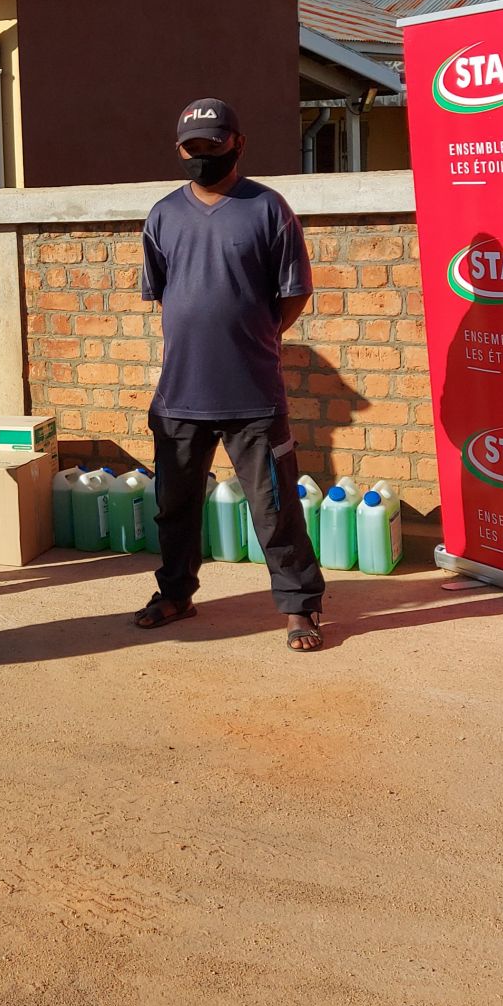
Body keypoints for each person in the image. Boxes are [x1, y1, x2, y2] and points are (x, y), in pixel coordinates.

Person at [134, 97, 325, 649]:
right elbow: (163, 294)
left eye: (214, 146)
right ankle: (175, 593)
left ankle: (299, 607)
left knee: (274, 506)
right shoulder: (163, 215)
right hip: (179, 397)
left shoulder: (268, 209)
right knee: (174, 505)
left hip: (253, 395)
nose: (203, 157)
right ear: (180, 150)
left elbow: (295, 293)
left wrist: (259, 336)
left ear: (238, 143)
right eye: (193, 149)